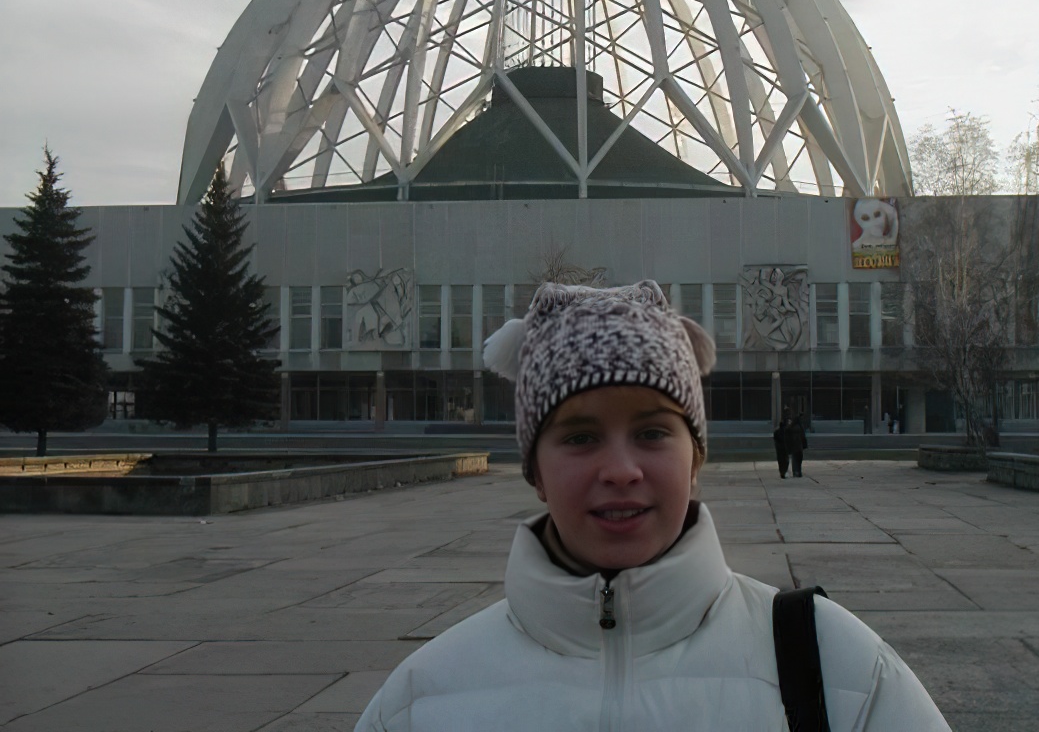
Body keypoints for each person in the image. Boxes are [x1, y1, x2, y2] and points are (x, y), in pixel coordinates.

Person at [353, 281, 950, 732]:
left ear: (696, 458)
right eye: (581, 437)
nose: (620, 470)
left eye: (654, 432)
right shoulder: (422, 699)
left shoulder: (838, 668)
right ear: (535, 470)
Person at [784, 410, 808, 478]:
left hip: (796, 445)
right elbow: (803, 436)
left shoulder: (792, 427)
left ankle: (796, 472)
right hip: (797, 445)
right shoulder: (798, 427)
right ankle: (798, 471)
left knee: (796, 459)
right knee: (798, 459)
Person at [771, 414, 789, 479]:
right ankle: (784, 471)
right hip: (784, 448)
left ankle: (782, 472)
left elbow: (775, 438)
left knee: (780, 461)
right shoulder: (786, 431)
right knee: (785, 460)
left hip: (779, 449)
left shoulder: (776, 431)